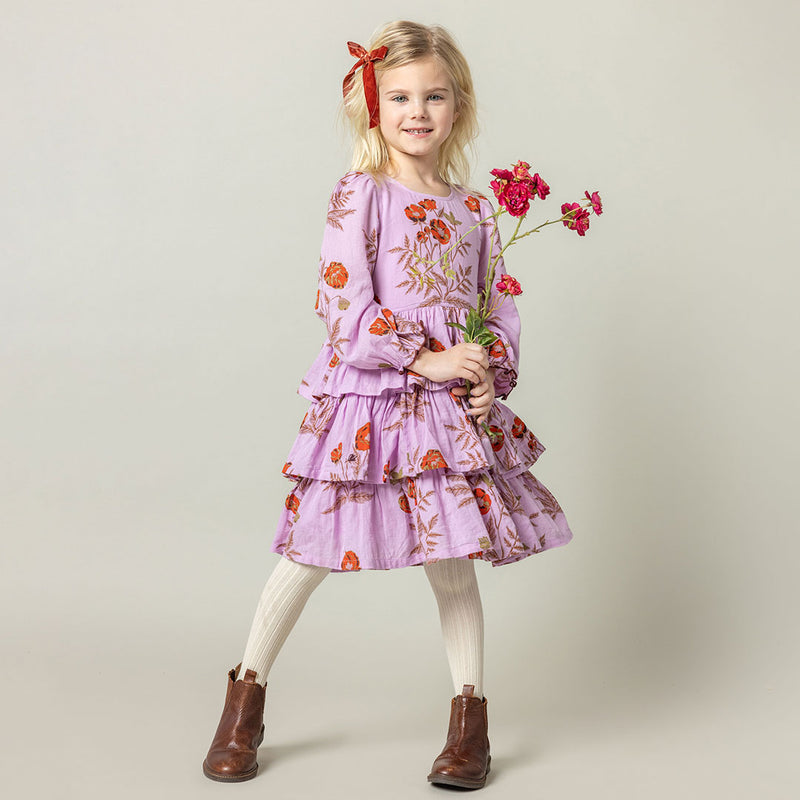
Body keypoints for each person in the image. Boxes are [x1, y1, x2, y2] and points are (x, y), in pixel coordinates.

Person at [202, 19, 573, 790]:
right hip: (373, 404)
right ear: (374, 106)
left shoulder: (476, 210)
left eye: (434, 96)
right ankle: (243, 708)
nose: (417, 112)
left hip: (447, 413)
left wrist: (487, 372)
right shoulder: (362, 193)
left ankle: (469, 729)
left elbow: (497, 306)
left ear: (458, 105)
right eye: (400, 97)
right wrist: (424, 357)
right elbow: (342, 304)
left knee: (452, 562)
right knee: (308, 553)